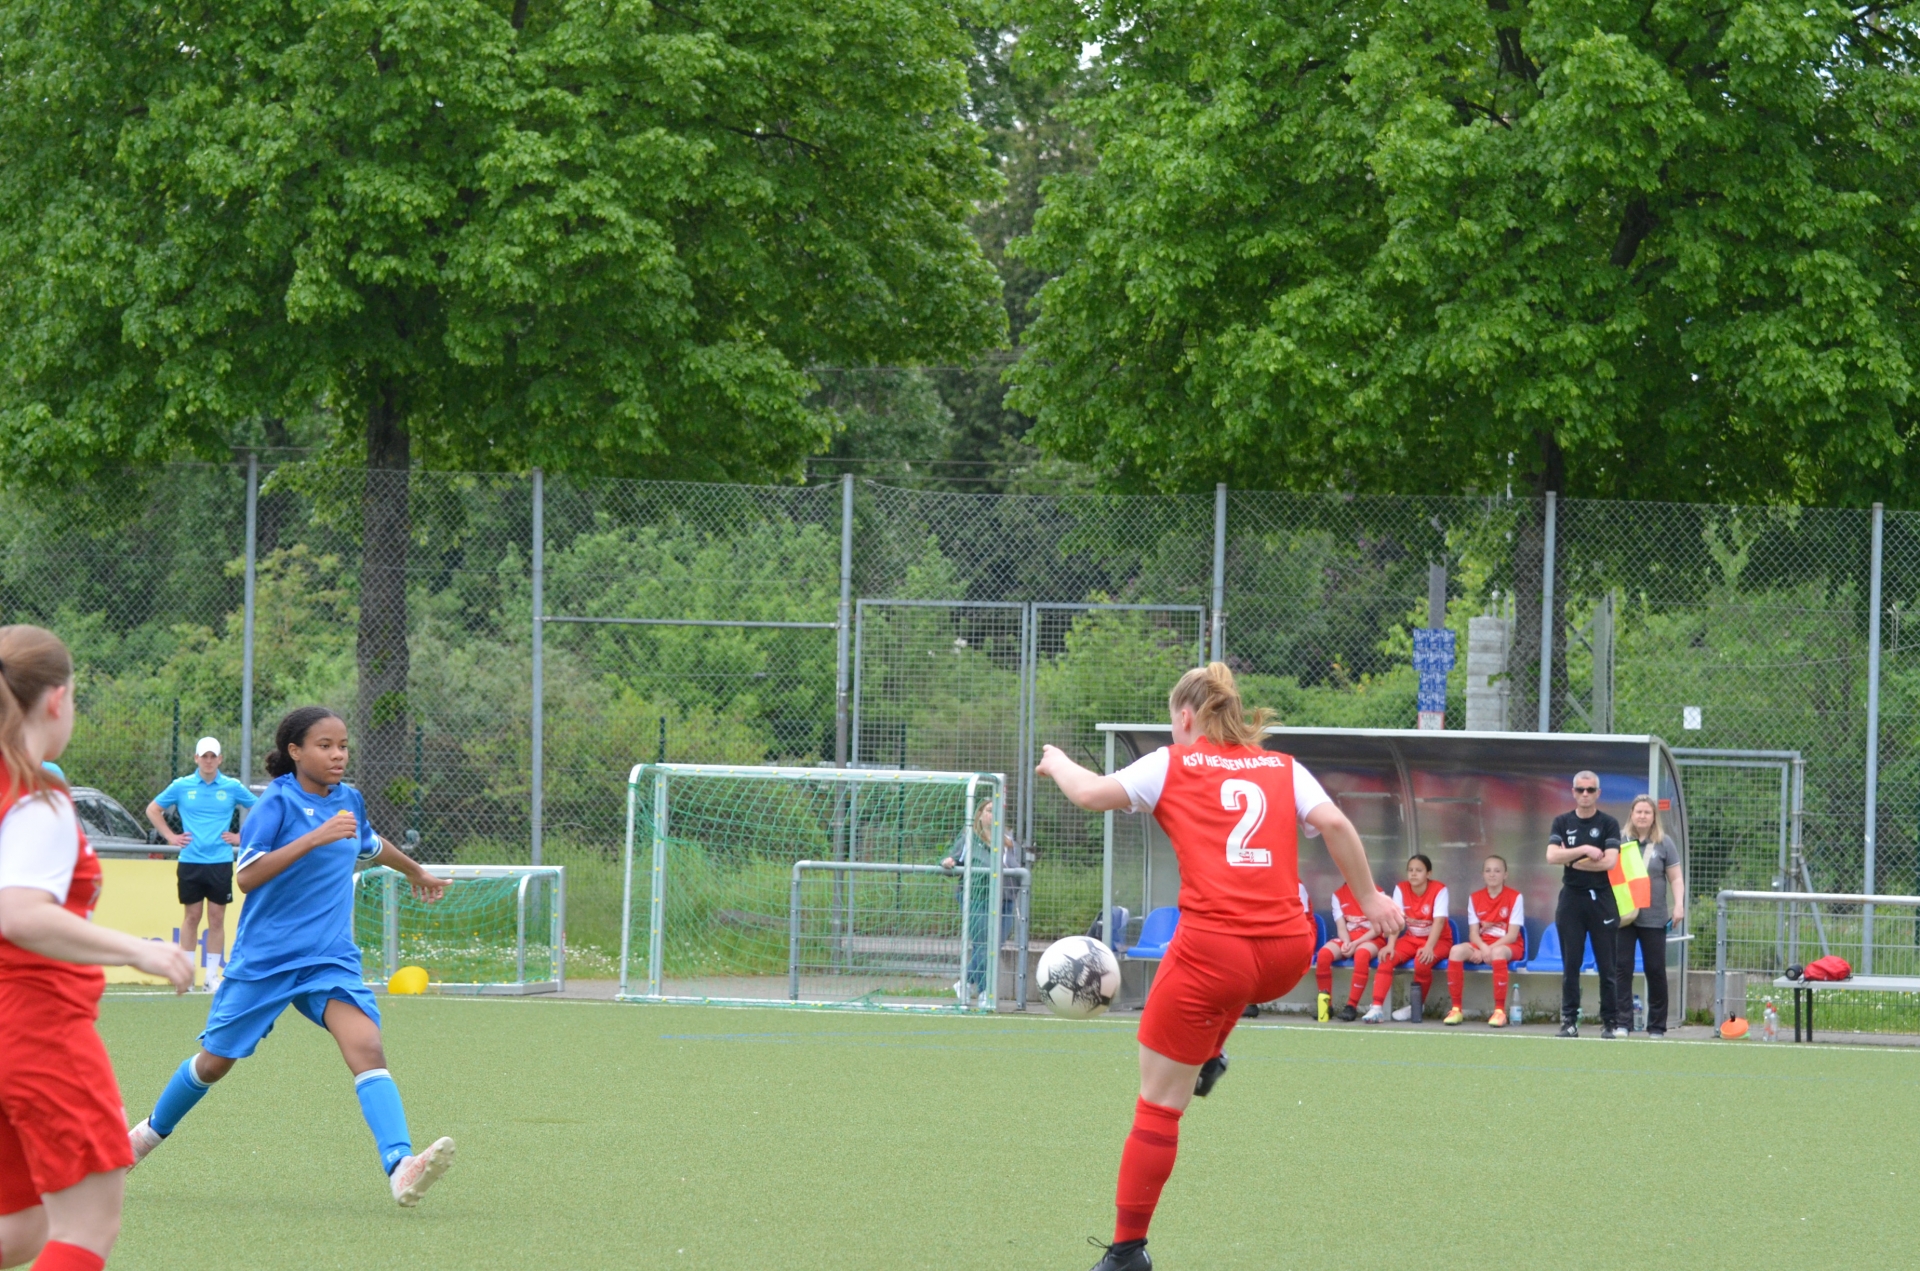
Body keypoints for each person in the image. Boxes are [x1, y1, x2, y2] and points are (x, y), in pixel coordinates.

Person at [1034, 662, 1401, 1271]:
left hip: (1215, 954)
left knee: (1157, 1103)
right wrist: (1370, 899)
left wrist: (1057, 761)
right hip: (1287, 952)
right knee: (1225, 984)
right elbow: (1334, 823)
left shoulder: (1171, 763)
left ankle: (1126, 1253)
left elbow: (1090, 794)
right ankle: (1209, 1052)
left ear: (1185, 717)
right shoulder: (1282, 766)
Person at [127, 706, 459, 1207]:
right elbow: (246, 876)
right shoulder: (276, 803)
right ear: (295, 751)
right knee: (214, 1063)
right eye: (325, 746)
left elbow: (370, 844)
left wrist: (415, 870)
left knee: (367, 1046)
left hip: (328, 959)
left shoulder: (349, 800)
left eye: (343, 745)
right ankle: (142, 1138)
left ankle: (399, 1166)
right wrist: (315, 837)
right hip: (267, 960)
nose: (338, 755)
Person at [0, 624, 195, 1271]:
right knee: (87, 1227)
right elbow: (21, 914)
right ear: (58, 699)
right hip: (36, 1027)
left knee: (22, 1229)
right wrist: (139, 950)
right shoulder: (38, 795)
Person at [146, 737, 257, 993]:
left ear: (220, 759)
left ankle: (211, 977)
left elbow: (261, 809)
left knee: (216, 919)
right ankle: (186, 976)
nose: (208, 761)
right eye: (204, 756)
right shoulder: (181, 786)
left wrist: (242, 837)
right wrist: (170, 837)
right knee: (192, 917)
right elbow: (153, 809)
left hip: (220, 862)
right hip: (190, 861)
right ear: (196, 758)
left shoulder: (232, 787)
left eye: (212, 756)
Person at [1547, 770, 1622, 1038]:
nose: (1585, 794)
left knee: (1607, 966)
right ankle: (1569, 1021)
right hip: (1572, 899)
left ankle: (1610, 1022)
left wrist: (1572, 861)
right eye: (1581, 789)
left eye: (1590, 790)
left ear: (1598, 793)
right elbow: (1551, 856)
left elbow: (1609, 862)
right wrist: (1585, 850)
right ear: (1573, 792)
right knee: (1571, 965)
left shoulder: (1609, 823)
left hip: (1601, 899)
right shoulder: (1562, 821)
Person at [1614, 794, 1683, 1038]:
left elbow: (1676, 878)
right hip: (1625, 916)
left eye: (1647, 812)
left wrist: (1679, 905)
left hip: (1654, 917)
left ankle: (1656, 1026)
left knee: (1655, 970)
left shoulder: (1664, 843)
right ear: (1631, 814)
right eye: (1639, 812)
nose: (1642, 816)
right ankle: (1622, 1023)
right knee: (1622, 969)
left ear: (1654, 816)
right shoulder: (1619, 840)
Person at [941, 798, 1017, 1008]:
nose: (993, 815)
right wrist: (948, 862)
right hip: (977, 897)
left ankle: (965, 982)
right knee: (983, 945)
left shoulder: (1008, 840)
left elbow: (1015, 867)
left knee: (996, 945)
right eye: (990, 810)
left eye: (997, 811)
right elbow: (952, 859)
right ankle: (984, 991)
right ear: (981, 815)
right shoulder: (970, 837)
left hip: (1005, 899)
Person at [1364, 855, 1450, 1023]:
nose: (1413, 874)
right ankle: (1376, 1008)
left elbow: (1439, 922)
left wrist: (1429, 947)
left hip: (1439, 941)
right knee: (1387, 957)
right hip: (1412, 938)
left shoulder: (1440, 889)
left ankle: (1416, 1006)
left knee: (1422, 961)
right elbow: (1396, 920)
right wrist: (1390, 945)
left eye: (1419, 870)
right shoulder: (1401, 888)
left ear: (1428, 873)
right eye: (1410, 870)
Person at [1443, 855, 1525, 1026]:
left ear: (1505, 875)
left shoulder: (1515, 897)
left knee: (1497, 952)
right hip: (1482, 944)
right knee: (1456, 951)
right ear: (1483, 874)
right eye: (1488, 870)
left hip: (1508, 945)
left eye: (1497, 871)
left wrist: (1487, 950)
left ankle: (1499, 1012)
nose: (1492, 874)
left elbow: (1512, 935)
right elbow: (1473, 933)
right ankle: (1456, 1009)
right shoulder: (1474, 897)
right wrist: (1482, 948)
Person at [1313, 881, 1391, 1022]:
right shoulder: (1338, 895)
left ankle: (1351, 1006)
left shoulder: (1378, 893)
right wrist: (1347, 942)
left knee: (1361, 954)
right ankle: (1325, 1006)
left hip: (1372, 938)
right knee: (1323, 955)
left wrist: (1355, 944)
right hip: (1349, 938)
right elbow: (1341, 927)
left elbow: (1377, 929)